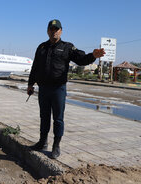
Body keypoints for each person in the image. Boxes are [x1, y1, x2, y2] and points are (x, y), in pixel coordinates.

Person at [27, 19, 105, 159]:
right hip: (43, 89)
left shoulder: (67, 47)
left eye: (56, 29)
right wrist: (30, 84)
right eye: (51, 29)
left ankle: (56, 146)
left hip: (58, 89)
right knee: (44, 117)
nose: (54, 31)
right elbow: (35, 67)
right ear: (47, 31)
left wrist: (93, 56)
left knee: (58, 119)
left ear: (61, 31)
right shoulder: (42, 47)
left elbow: (80, 59)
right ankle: (42, 142)